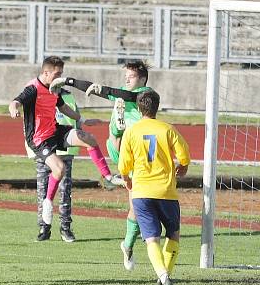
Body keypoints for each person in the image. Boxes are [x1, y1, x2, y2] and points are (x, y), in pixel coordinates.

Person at [49, 60, 153, 269]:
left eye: (130, 77)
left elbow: (128, 96)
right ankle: (117, 133)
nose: (127, 80)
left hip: (142, 152)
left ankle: (128, 245)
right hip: (124, 149)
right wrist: (68, 81)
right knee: (118, 133)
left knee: (138, 205)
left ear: (141, 79)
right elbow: (92, 87)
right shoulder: (123, 91)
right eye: (126, 76)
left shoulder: (146, 94)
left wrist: (104, 90)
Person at [9, 56, 122, 227]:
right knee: (59, 168)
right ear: (45, 73)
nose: (60, 77)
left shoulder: (54, 88)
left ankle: (107, 177)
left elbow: (63, 107)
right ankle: (48, 202)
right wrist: (13, 109)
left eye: (62, 73)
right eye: (57, 74)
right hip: (39, 139)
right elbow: (16, 101)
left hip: (55, 131)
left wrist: (82, 120)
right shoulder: (33, 88)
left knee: (89, 138)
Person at [118, 90, 190, 285]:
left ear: (139, 108)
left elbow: (124, 164)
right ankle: (163, 277)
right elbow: (184, 154)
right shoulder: (167, 129)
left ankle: (163, 275)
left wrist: (127, 178)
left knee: (151, 239)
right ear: (157, 107)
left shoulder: (131, 132)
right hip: (166, 191)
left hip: (141, 192)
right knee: (173, 235)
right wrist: (183, 166)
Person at [30, 88, 79, 242]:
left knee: (65, 192)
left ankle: (65, 227)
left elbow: (76, 120)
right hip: (43, 149)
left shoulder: (68, 97)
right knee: (42, 192)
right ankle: (44, 226)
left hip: (64, 151)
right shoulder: (37, 95)